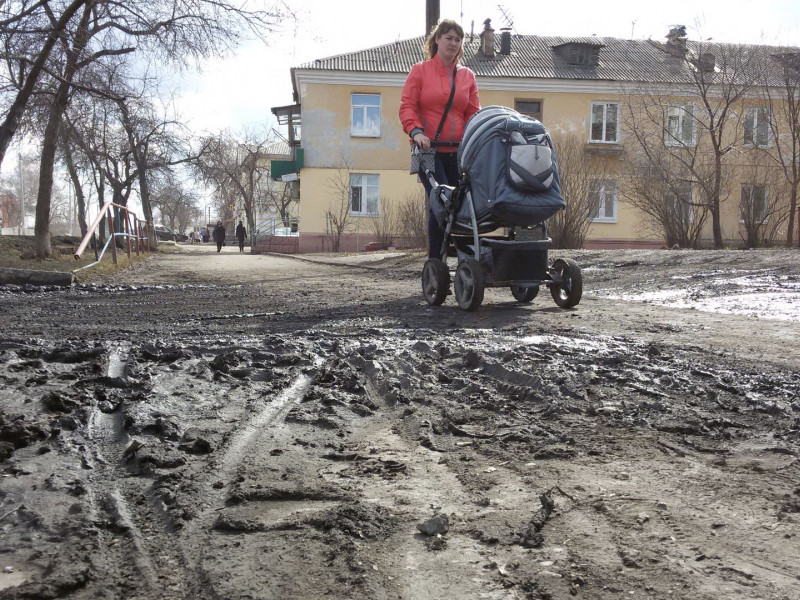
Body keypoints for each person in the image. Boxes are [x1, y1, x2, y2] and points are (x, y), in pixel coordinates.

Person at [399, 18, 480, 259]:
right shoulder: (420, 71)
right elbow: (407, 107)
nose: (453, 43)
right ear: (437, 39)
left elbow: (473, 113)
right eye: (449, 38)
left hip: (460, 153)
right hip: (429, 151)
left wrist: (474, 139)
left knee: (465, 204)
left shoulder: (467, 76)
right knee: (442, 202)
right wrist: (417, 132)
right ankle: (436, 260)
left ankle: (467, 257)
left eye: (458, 39)